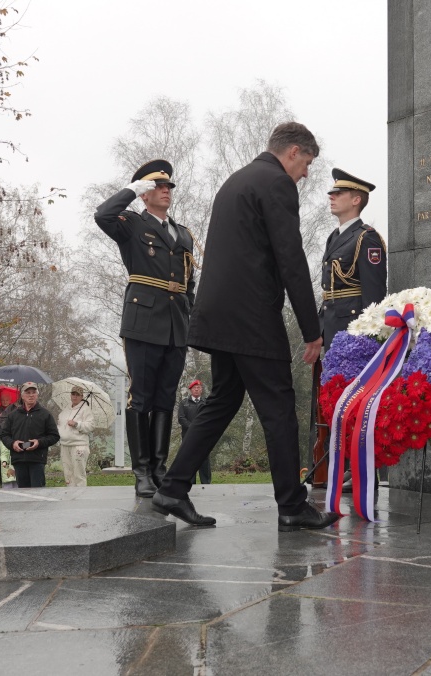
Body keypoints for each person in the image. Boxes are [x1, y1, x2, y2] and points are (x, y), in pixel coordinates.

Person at [152, 122, 337, 533]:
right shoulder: (275, 184)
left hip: (220, 313)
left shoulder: (236, 181)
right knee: (279, 410)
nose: (306, 173)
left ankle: (173, 488)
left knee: (223, 401)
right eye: (306, 163)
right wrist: (312, 329)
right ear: (292, 152)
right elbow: (290, 258)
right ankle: (292, 505)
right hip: (250, 317)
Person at [94, 159, 195, 499]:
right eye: (158, 185)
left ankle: (159, 468)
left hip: (175, 324)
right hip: (143, 321)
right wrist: (133, 189)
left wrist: (189, 318)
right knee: (142, 399)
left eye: (168, 186)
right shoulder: (132, 225)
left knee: (166, 398)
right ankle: (140, 472)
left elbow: (188, 283)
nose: (166, 190)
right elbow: (102, 215)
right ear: (145, 192)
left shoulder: (183, 234)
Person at [320, 168, 387, 347]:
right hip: (331, 324)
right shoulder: (334, 236)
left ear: (356, 200)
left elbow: (374, 293)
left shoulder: (367, 237)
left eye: (338, 193)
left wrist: (369, 335)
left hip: (352, 328)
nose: (331, 197)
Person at [0, 382, 60, 488]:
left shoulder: (45, 414)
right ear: (22, 396)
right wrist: (13, 443)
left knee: (38, 491)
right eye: (28, 392)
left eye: (33, 392)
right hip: (19, 459)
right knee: (24, 494)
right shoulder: (13, 415)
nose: (31, 395)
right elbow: (4, 435)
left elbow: (54, 436)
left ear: (37, 395)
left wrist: (39, 442)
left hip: (37, 459)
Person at [58, 385, 95, 488]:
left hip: (79, 445)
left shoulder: (86, 409)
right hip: (65, 444)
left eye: (77, 395)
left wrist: (77, 424)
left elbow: (91, 426)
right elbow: (60, 423)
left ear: (82, 396)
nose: (75, 397)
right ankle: (70, 496)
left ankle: (80, 497)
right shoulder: (66, 409)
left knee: (79, 473)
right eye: (73, 394)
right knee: (68, 473)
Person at [177, 380, 210, 484]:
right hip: (188, 435)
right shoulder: (184, 403)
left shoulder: (206, 402)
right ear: (190, 390)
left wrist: (200, 428)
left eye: (199, 387)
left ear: (201, 390)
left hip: (203, 435)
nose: (197, 389)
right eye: (194, 387)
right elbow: (181, 418)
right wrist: (193, 428)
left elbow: (209, 417)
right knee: (189, 458)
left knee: (204, 459)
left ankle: (206, 482)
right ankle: (190, 482)